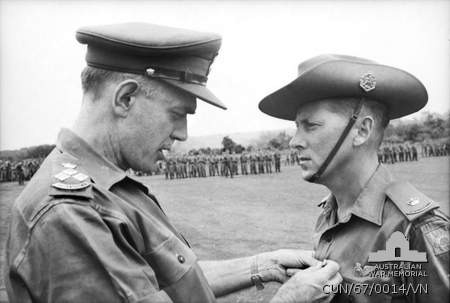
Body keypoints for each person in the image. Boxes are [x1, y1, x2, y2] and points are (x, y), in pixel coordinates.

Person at [5, 23, 341, 303]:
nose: (182, 134)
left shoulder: (105, 188)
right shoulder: (69, 213)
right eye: (177, 114)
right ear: (125, 98)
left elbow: (158, 281)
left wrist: (263, 265)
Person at [259, 54, 449, 302]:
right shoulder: (330, 211)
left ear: (362, 131)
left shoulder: (414, 228)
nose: (295, 142)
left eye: (311, 125)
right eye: (297, 127)